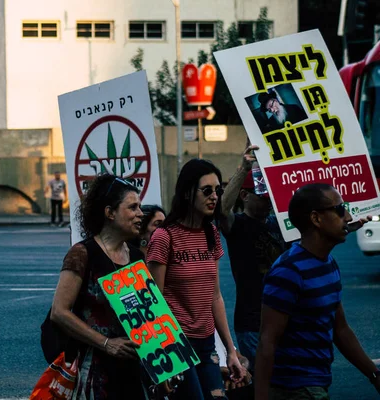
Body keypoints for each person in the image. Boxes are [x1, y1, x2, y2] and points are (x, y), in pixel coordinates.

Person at [255, 183, 380, 400]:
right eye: (340, 209)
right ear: (316, 218)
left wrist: (374, 374)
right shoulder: (288, 271)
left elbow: (340, 329)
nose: (348, 217)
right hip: (295, 390)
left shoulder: (328, 263)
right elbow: (268, 341)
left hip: (318, 384)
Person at [147, 159, 247, 400]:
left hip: (206, 343)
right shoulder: (164, 237)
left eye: (217, 190)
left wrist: (231, 351)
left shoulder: (211, 233)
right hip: (175, 344)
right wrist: (162, 360)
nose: (214, 196)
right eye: (207, 190)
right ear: (186, 193)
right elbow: (153, 302)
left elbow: (215, 297)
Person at [50, 174, 149, 399]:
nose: (140, 214)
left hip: (134, 372)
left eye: (140, 207)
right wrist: (106, 343)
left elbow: (147, 317)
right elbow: (59, 312)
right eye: (132, 207)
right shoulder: (83, 253)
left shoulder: (136, 257)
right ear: (110, 213)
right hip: (95, 371)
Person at [219, 145, 288, 371]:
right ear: (244, 196)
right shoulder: (237, 225)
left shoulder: (279, 224)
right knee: (262, 382)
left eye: (270, 197)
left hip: (284, 318)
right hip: (252, 324)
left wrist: (348, 227)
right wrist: (244, 168)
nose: (268, 202)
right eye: (262, 197)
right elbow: (222, 210)